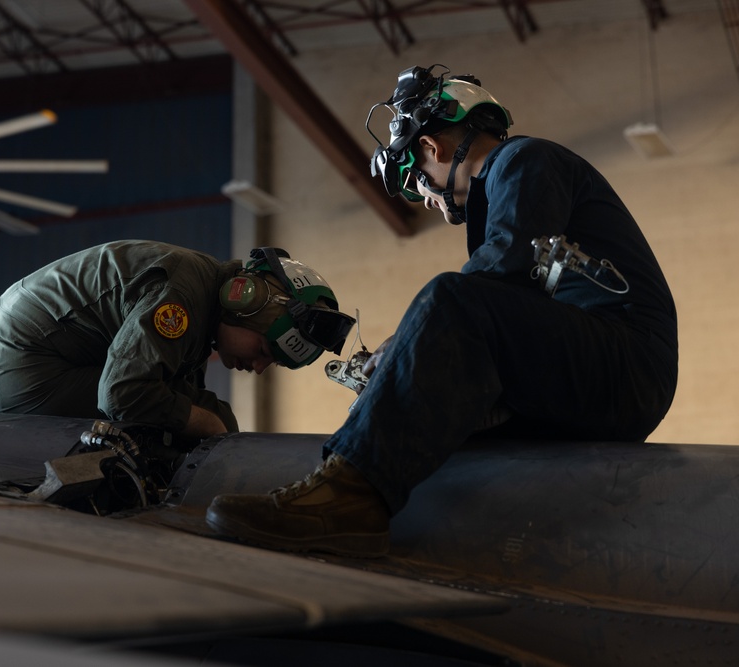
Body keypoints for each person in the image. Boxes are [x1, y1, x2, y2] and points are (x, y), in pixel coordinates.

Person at [206, 65, 678, 557]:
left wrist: (405, 345)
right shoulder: (510, 181)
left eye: (417, 182)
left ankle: (347, 498)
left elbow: (506, 272)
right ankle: (357, 484)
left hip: (626, 365)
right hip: (598, 372)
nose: (425, 198)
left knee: (450, 298)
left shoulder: (522, 159)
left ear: (433, 148)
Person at [0, 240, 354, 439]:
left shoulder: (202, 292)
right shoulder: (184, 297)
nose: (257, 367)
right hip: (19, 366)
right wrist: (206, 425)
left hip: (7, 353)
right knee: (204, 421)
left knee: (202, 414)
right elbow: (121, 393)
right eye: (265, 351)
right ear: (242, 301)